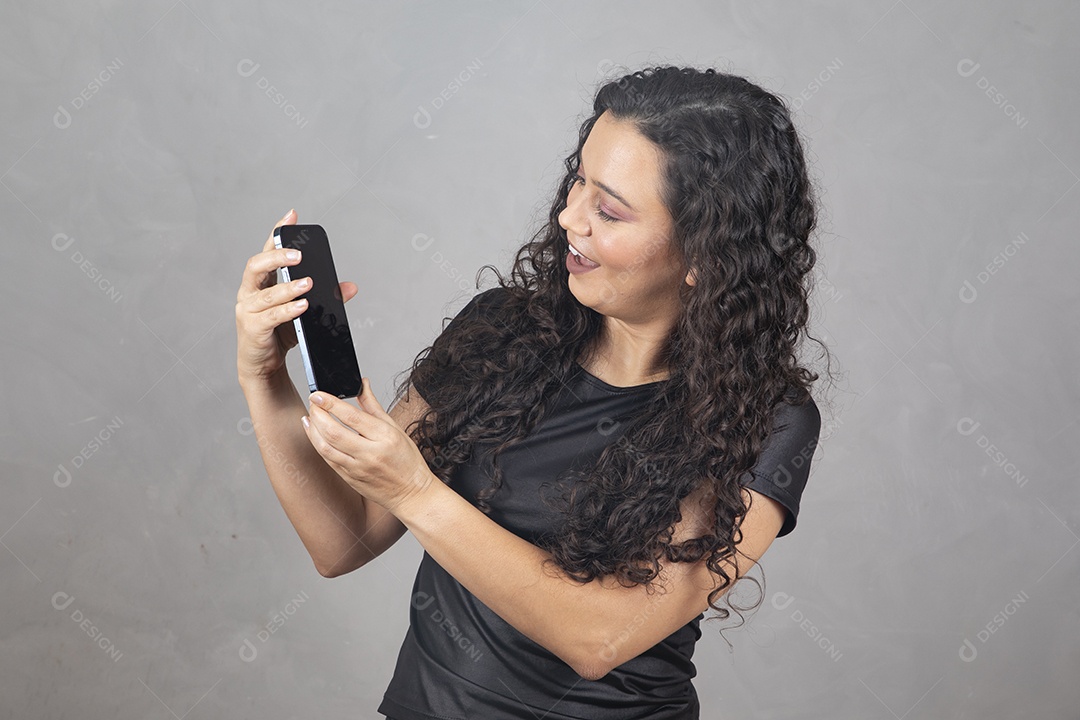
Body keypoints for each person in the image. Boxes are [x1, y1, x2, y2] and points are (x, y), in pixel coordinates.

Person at [235, 65, 831, 720]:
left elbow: (600, 637)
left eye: (608, 209)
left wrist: (414, 489)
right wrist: (263, 376)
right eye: (578, 179)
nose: (569, 216)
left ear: (704, 256)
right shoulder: (502, 331)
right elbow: (343, 543)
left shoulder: (765, 421)